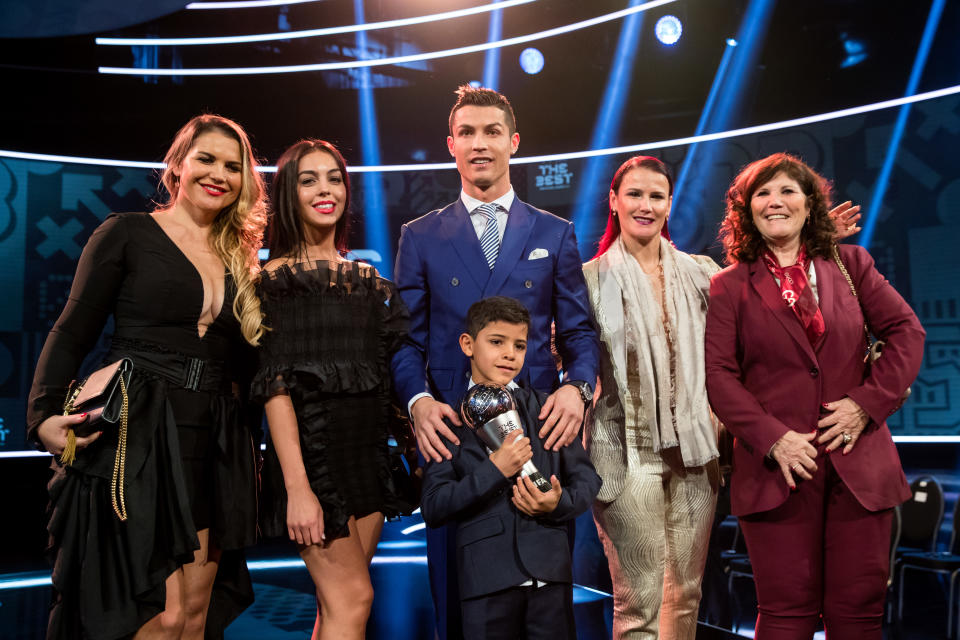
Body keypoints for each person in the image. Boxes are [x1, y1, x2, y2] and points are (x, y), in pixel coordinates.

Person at [27, 114, 267, 638]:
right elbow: (71, 332)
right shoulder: (128, 233)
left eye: (233, 166)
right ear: (177, 165)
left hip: (214, 442)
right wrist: (43, 415)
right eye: (206, 159)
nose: (219, 174)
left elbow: (256, 372)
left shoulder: (242, 262)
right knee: (155, 616)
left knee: (193, 618)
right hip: (138, 437)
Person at [391, 85, 599, 639]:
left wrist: (576, 389)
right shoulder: (420, 236)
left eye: (490, 132)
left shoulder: (554, 233)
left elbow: (579, 331)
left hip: (539, 439)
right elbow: (405, 341)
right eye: (467, 133)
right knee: (462, 610)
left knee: (546, 609)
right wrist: (418, 402)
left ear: (514, 142)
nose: (479, 144)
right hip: (455, 444)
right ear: (450, 146)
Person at [704, 152, 925, 639]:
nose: (775, 201)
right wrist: (774, 438)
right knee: (786, 615)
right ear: (746, 210)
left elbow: (908, 333)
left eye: (787, 191)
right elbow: (719, 377)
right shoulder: (729, 286)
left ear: (810, 205)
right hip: (779, 470)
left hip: (859, 464)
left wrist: (866, 405)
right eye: (762, 193)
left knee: (858, 614)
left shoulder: (852, 263)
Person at [252, 139, 411, 639]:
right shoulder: (274, 282)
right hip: (313, 464)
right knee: (354, 599)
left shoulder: (368, 281)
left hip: (366, 458)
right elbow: (274, 389)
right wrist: (298, 489)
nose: (326, 190)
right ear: (288, 196)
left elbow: (384, 377)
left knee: (339, 605)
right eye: (308, 180)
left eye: (334, 178)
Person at [582, 156, 721, 640]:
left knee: (684, 596)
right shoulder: (589, 280)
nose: (645, 205)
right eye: (635, 194)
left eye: (656, 196)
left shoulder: (704, 274)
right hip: (623, 449)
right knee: (637, 602)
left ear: (669, 204)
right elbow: (566, 361)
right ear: (615, 202)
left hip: (697, 452)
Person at [420, 296, 601, 640]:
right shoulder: (449, 420)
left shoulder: (546, 408)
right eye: (497, 342)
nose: (509, 354)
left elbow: (587, 479)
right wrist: (495, 469)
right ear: (468, 344)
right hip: (486, 582)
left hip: (550, 576)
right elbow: (434, 505)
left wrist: (557, 503)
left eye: (519, 345)